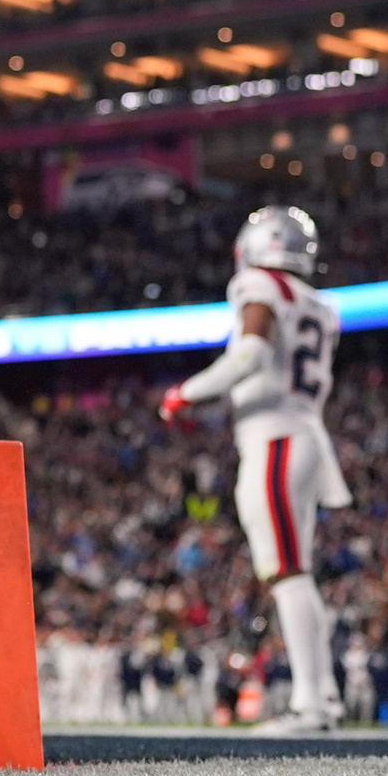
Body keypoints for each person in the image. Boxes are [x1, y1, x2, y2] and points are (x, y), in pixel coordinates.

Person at [161, 206, 349, 736]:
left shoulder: (259, 285)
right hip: (299, 433)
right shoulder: (317, 303)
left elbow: (251, 356)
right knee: (294, 571)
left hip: (277, 440)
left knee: (287, 573)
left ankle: (312, 705)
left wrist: (186, 393)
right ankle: (322, 695)